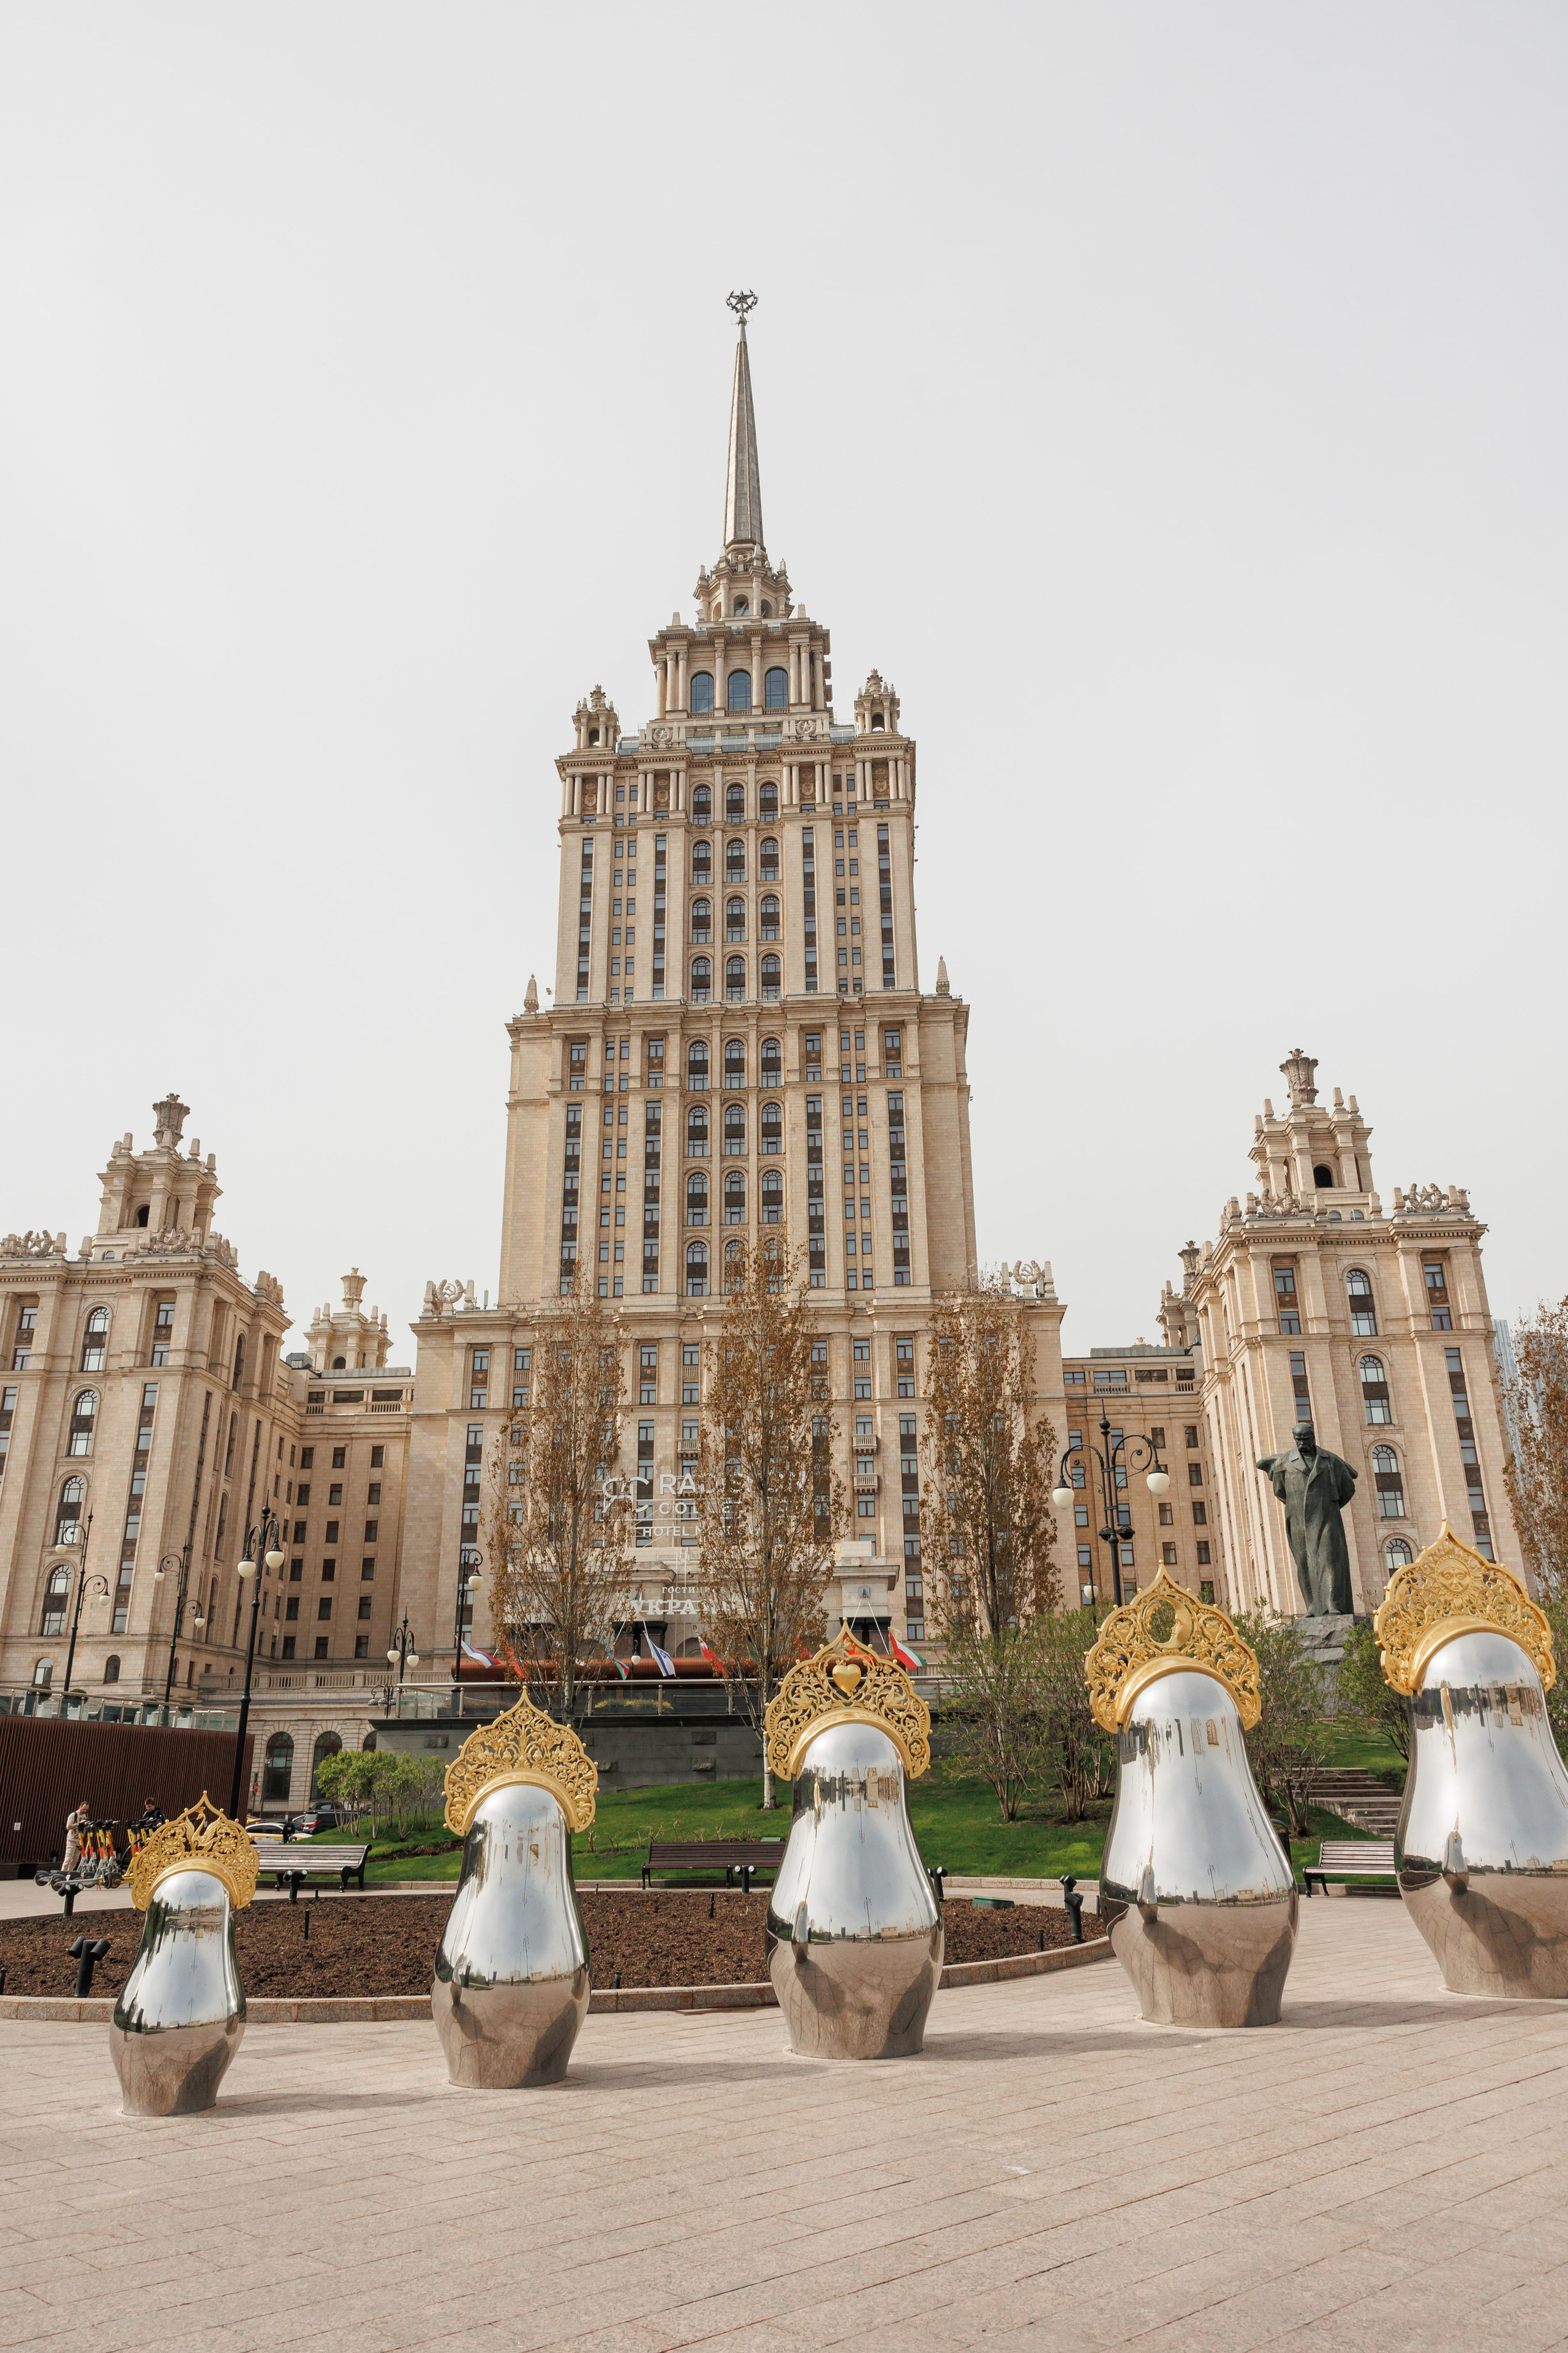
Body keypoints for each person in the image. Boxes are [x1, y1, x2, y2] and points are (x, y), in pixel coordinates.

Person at [62, 1798, 91, 1875]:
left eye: (86, 1810)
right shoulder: (74, 1815)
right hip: (72, 1839)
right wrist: (79, 1824)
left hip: (80, 1840)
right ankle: (62, 1873)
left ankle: (69, 1873)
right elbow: (68, 1827)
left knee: (75, 1860)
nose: (84, 1811)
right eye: (83, 1809)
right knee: (68, 1858)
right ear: (80, 1807)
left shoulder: (85, 1816)